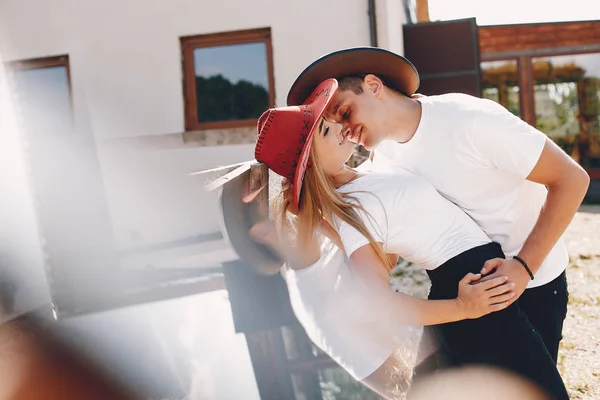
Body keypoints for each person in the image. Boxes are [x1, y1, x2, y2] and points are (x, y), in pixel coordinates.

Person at [251, 78, 567, 399]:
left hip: (483, 271)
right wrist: (462, 308)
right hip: (470, 282)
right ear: (311, 164)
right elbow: (377, 303)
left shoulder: (370, 172)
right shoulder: (351, 213)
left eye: (332, 119)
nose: (339, 127)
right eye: (326, 130)